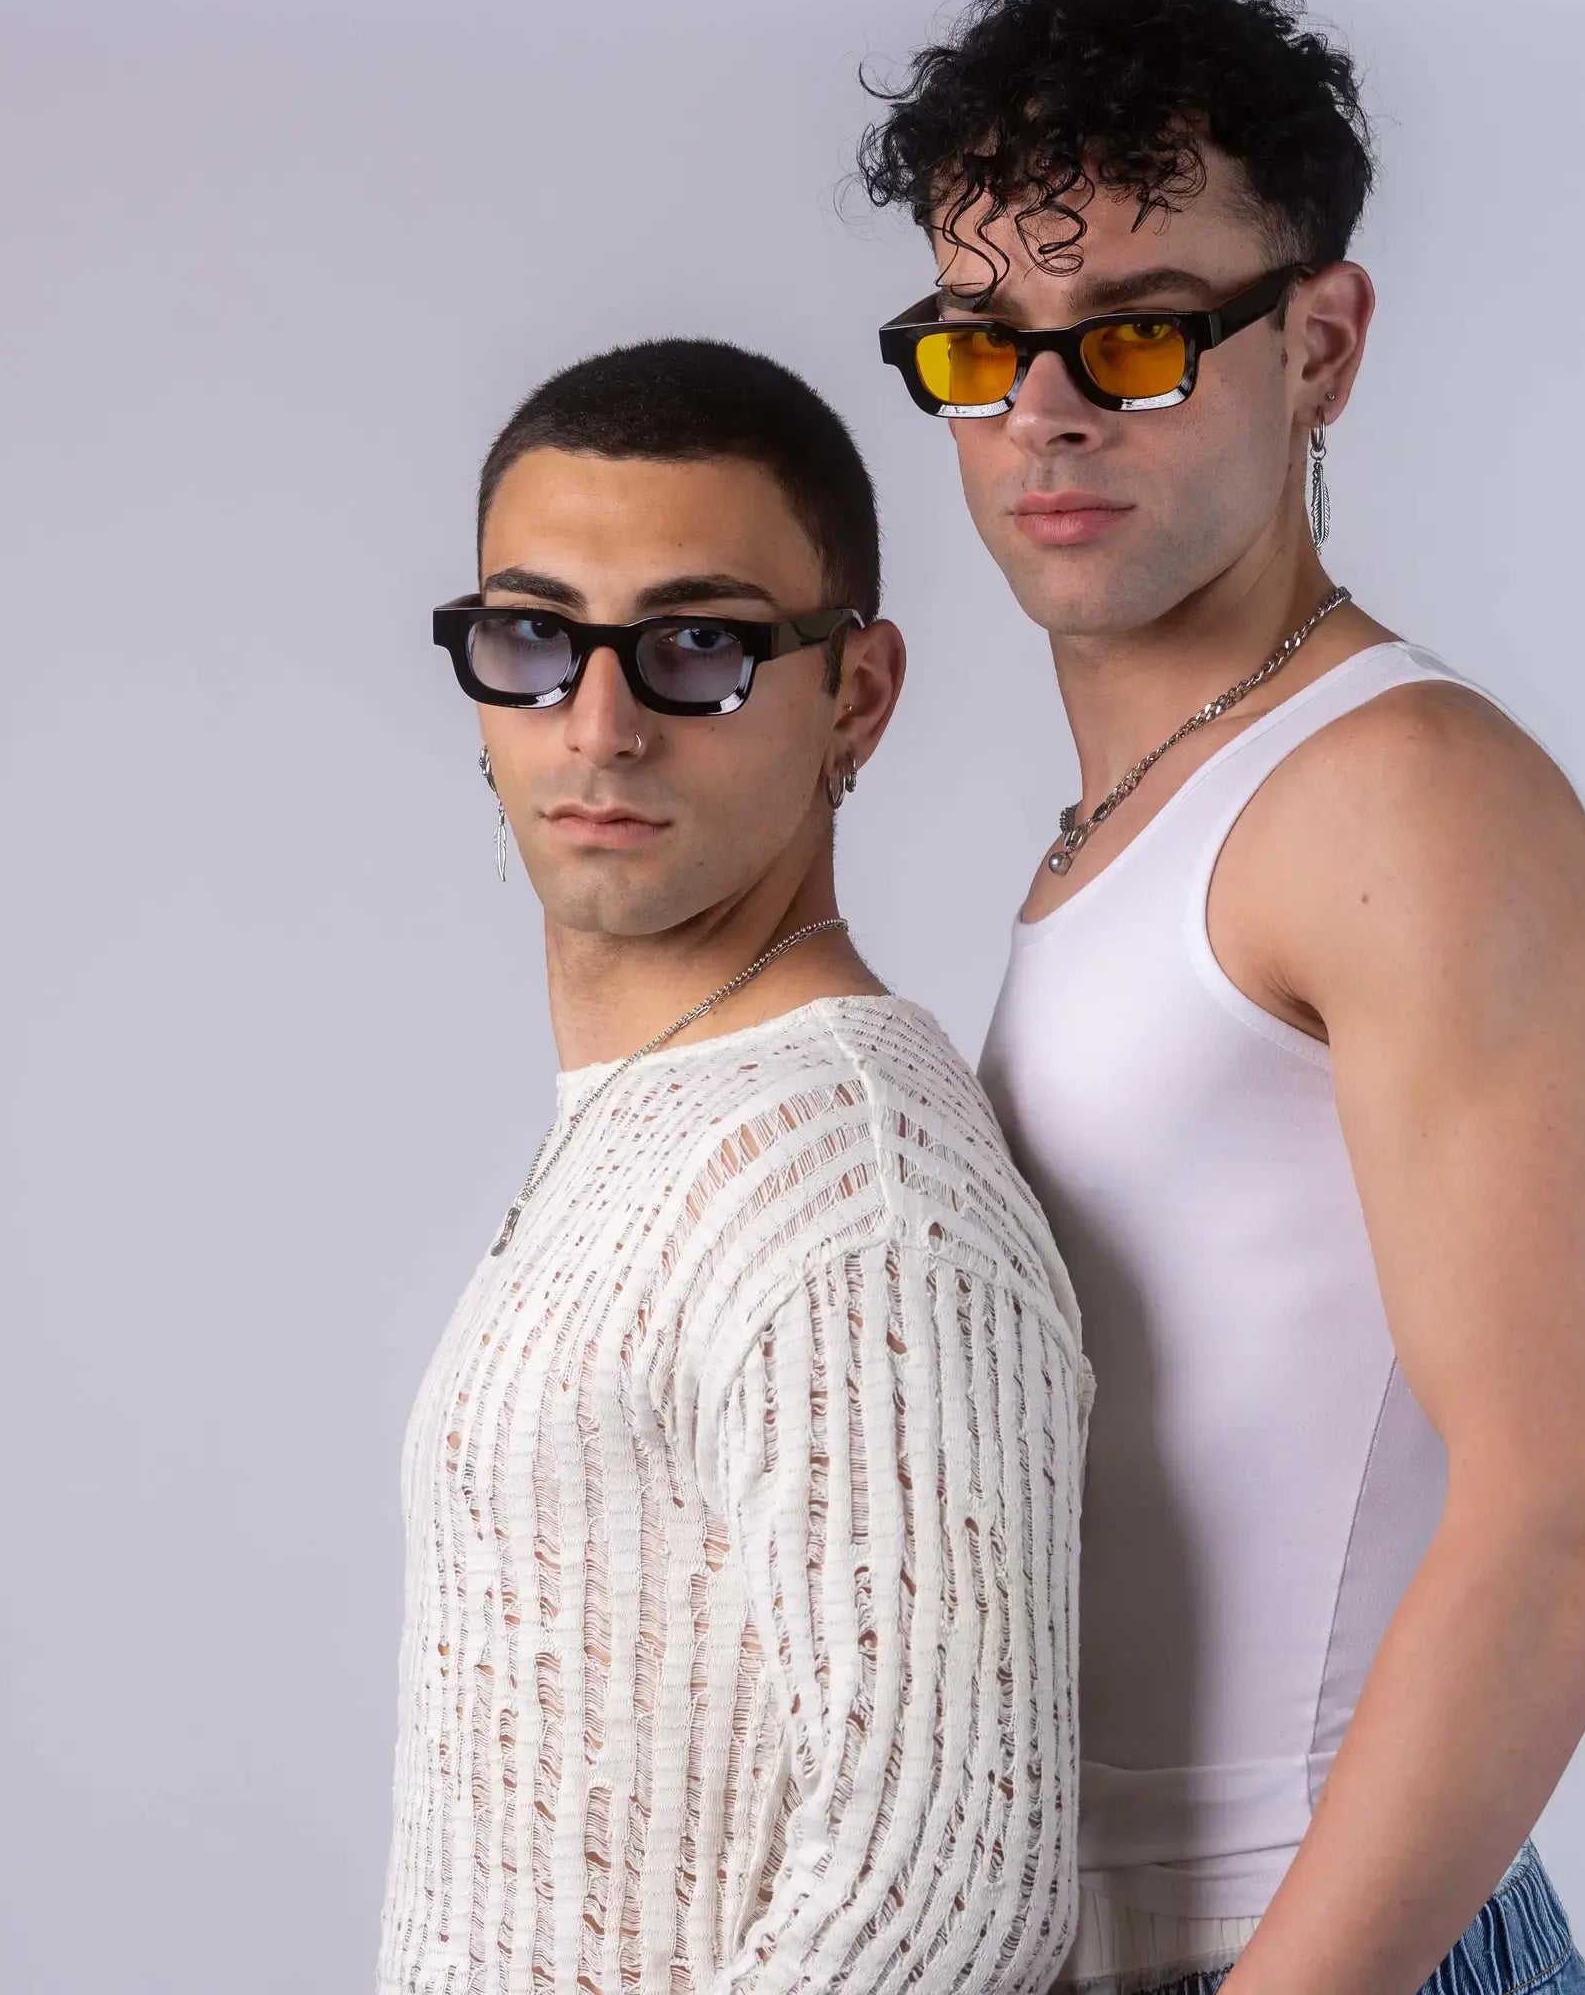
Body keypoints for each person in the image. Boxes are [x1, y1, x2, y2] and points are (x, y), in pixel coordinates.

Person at [859, 0, 1585, 1994]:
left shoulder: (1399, 795)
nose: (1041, 412)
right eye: (980, 348)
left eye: (1132, 338)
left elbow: (1571, 1523)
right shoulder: (1136, 822)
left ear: (1319, 344)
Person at [377, 339, 1090, 1994]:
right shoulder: (670, 1116)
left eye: (697, 644)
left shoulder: (852, 1177)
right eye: (535, 637)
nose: (601, 725)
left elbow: (946, 1899)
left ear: (857, 692)